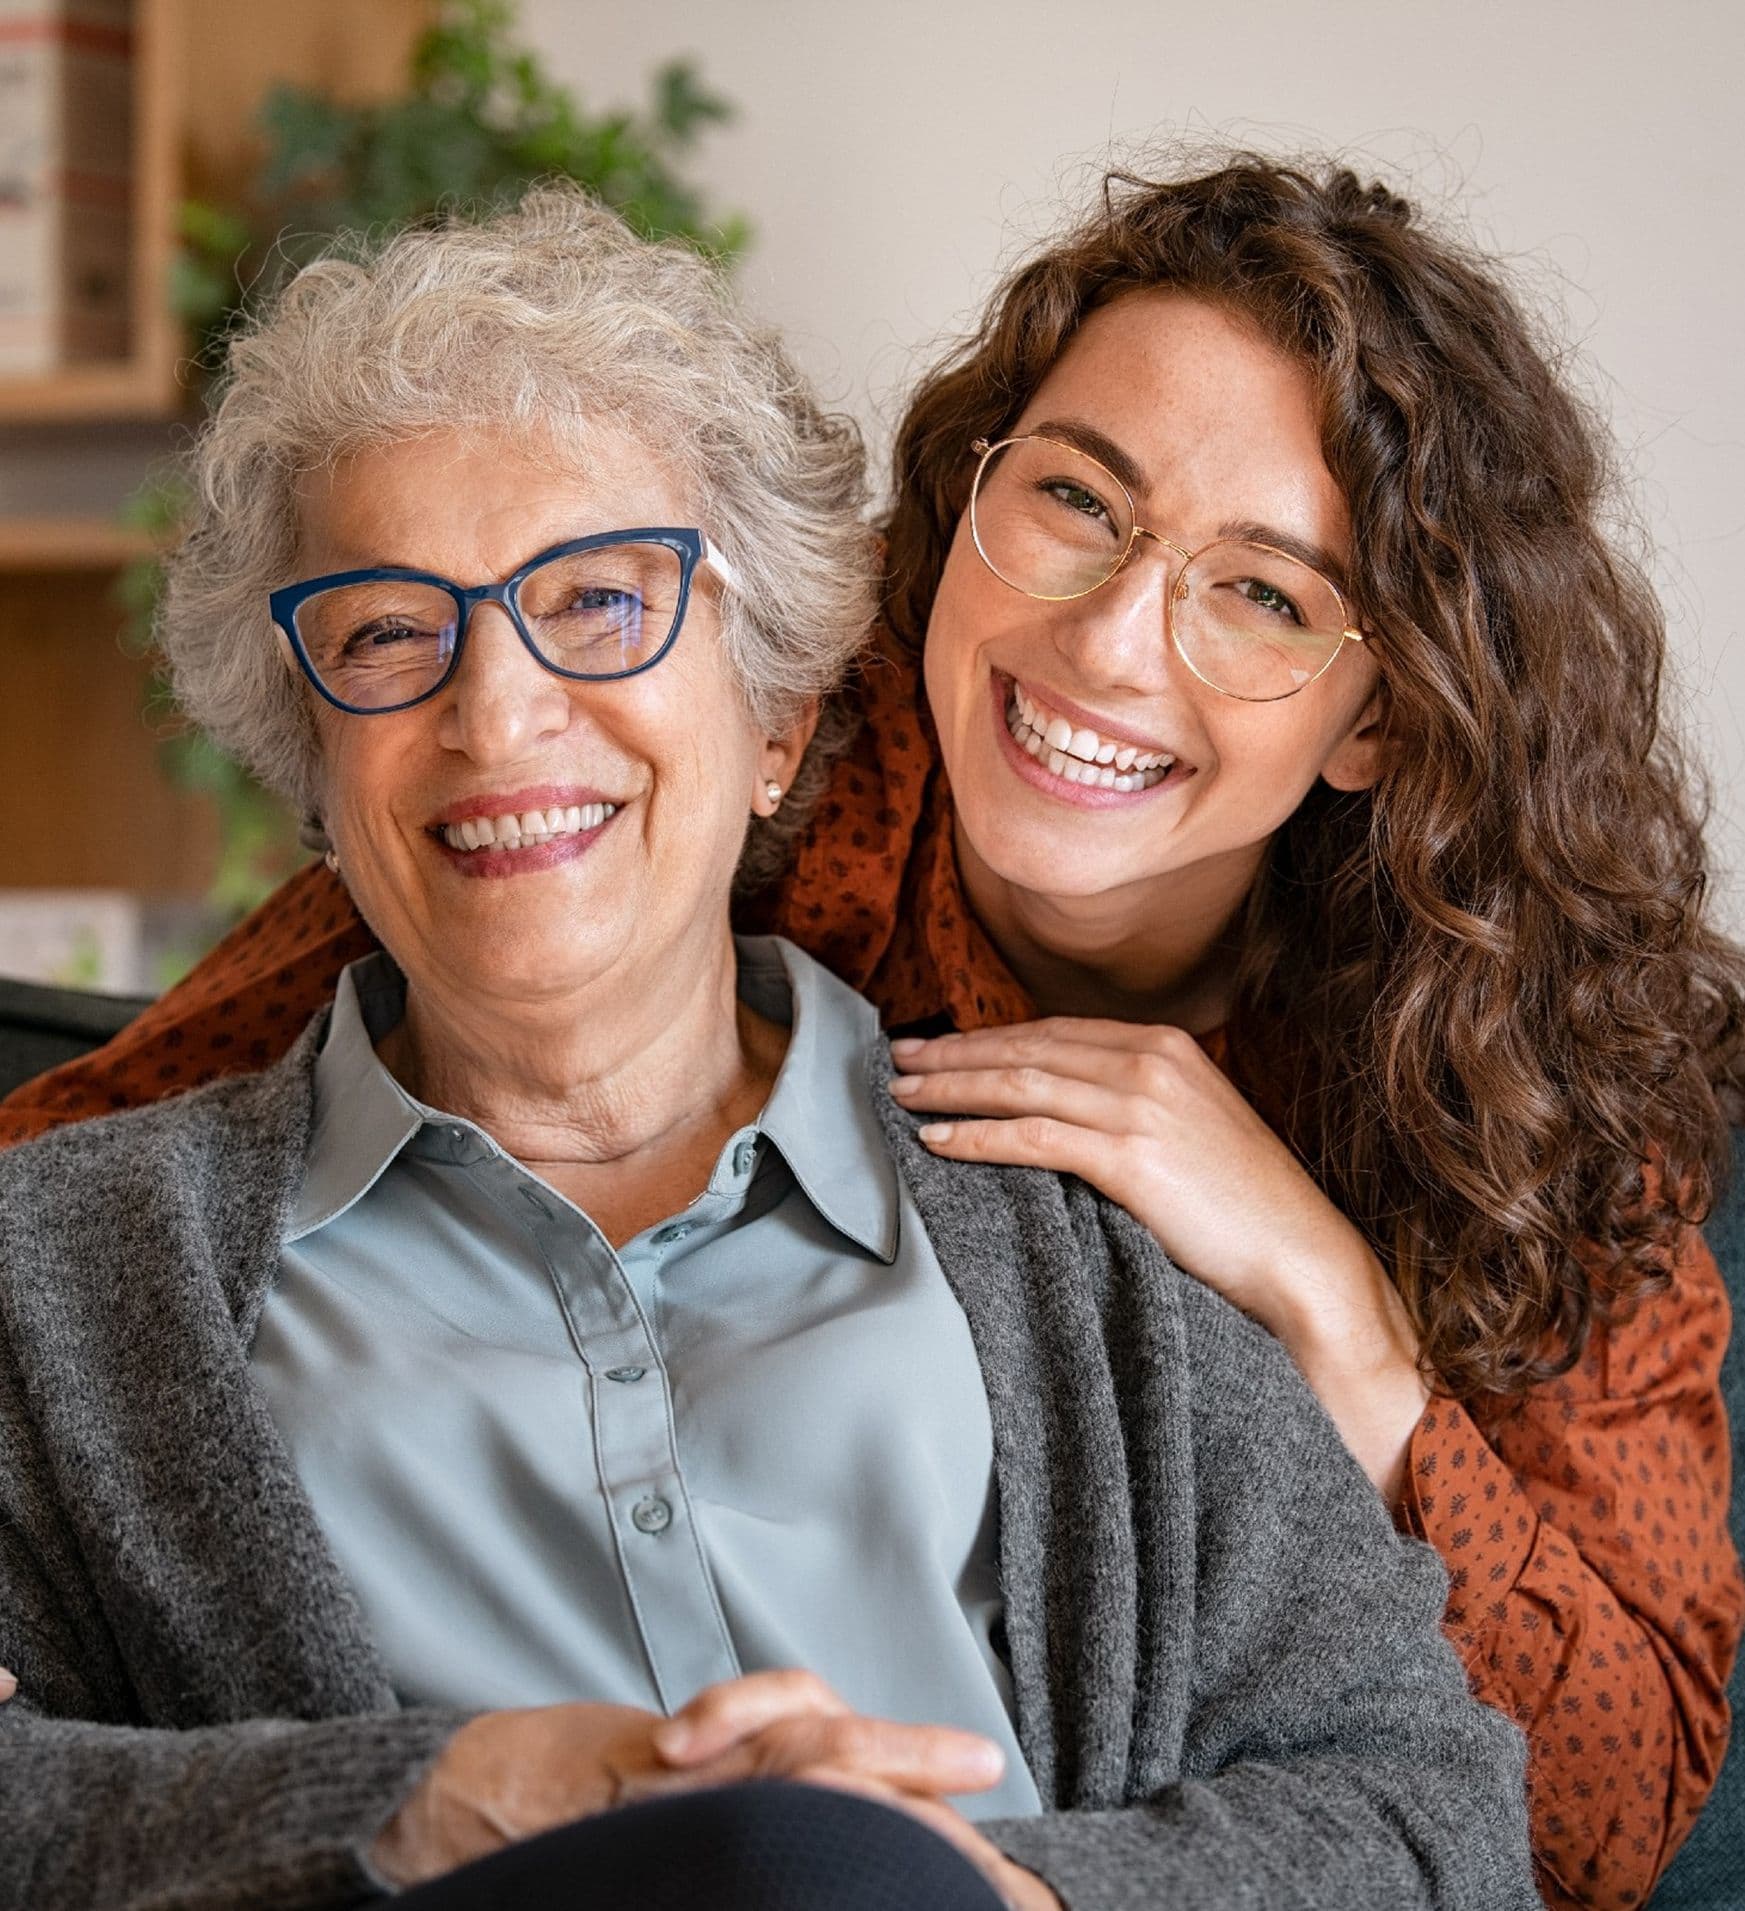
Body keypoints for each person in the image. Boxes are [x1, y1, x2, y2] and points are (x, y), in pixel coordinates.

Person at [3, 157, 1734, 1910]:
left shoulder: (1375, 1163)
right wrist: (430, 1796)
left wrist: (1334, 1319)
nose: (1113, 646)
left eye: (1264, 592)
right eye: (1077, 501)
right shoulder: (108, 1240)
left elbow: (1499, 1820)